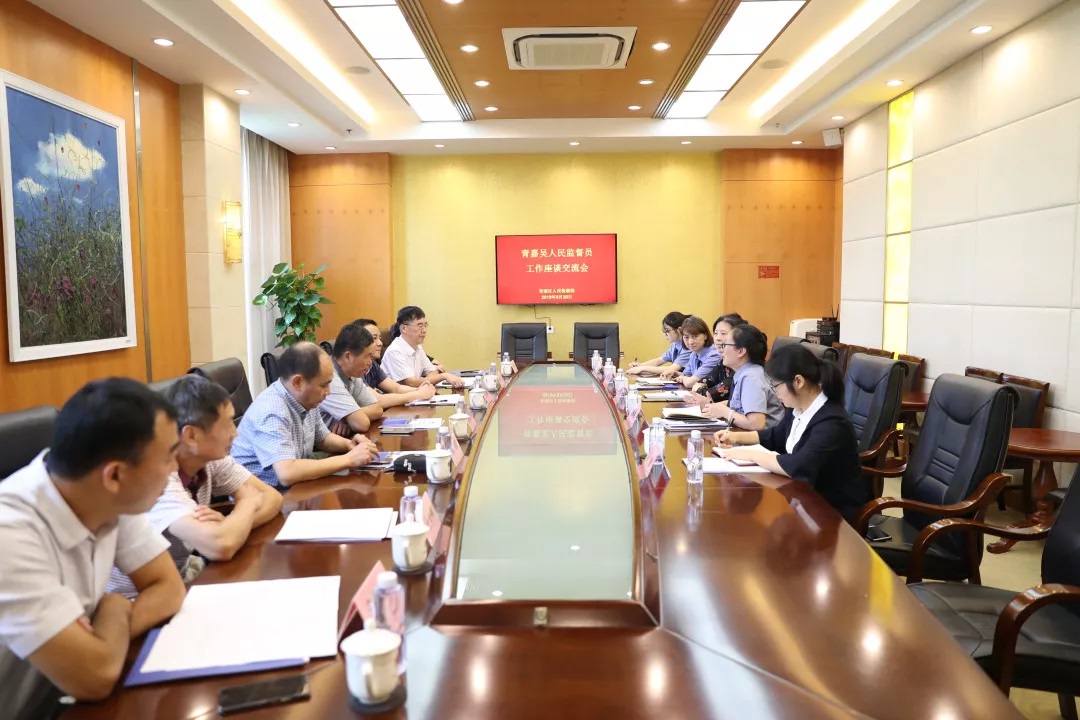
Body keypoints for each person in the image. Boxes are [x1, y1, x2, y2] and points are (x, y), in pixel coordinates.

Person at [0, 378, 186, 716]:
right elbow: (96, 677)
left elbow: (169, 588)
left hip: (63, 699)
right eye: (168, 457)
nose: (176, 468)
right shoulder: (9, 536)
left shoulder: (107, 497)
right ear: (114, 475)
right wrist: (115, 606)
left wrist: (103, 634)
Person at [108, 376, 283, 596]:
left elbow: (273, 497)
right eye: (228, 423)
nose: (235, 432)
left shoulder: (211, 458)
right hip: (137, 598)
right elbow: (221, 545)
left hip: (180, 578)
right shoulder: (160, 479)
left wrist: (232, 523)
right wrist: (246, 505)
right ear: (191, 436)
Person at [714, 344, 867, 524]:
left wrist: (749, 454)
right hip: (803, 500)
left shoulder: (832, 423)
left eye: (776, 386)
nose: (774, 393)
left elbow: (797, 466)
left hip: (831, 514)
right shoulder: (798, 409)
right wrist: (735, 437)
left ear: (798, 382)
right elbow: (775, 436)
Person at [231, 342, 378, 489]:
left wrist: (349, 445)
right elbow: (287, 473)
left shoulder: (306, 398)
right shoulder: (272, 411)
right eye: (323, 385)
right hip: (261, 495)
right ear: (298, 382)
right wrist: (349, 459)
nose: (328, 392)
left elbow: (322, 438)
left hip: (294, 489)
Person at [700, 323, 784, 429]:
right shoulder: (745, 372)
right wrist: (712, 406)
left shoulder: (751, 377)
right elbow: (738, 405)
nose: (721, 349)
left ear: (740, 351)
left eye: (725, 344)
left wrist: (725, 412)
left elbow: (756, 425)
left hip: (763, 438)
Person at [354, 318, 438, 408]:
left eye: (379, 338)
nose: (380, 343)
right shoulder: (354, 369)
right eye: (374, 338)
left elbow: (396, 388)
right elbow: (378, 400)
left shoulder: (372, 364)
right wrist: (418, 394)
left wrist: (420, 390)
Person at [321, 324, 385, 435]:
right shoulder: (329, 378)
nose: (370, 362)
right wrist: (353, 416)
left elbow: (378, 409)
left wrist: (347, 416)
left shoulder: (352, 373)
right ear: (348, 356)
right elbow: (362, 424)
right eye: (367, 356)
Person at [380, 306, 464, 388]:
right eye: (420, 326)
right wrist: (444, 376)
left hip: (417, 394)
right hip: (397, 396)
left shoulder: (417, 347)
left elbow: (432, 371)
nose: (424, 330)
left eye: (425, 325)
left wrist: (426, 382)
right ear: (404, 328)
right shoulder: (395, 351)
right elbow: (411, 383)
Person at [692, 313, 746, 402]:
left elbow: (713, 395)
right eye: (716, 333)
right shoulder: (724, 361)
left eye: (723, 333)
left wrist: (699, 389)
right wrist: (700, 388)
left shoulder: (740, 365)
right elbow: (705, 381)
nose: (718, 338)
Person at [660, 315, 723, 389]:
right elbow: (686, 375)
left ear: (705, 336)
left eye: (695, 336)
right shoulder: (693, 354)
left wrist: (684, 378)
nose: (690, 342)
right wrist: (674, 373)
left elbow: (690, 382)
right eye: (686, 337)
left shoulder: (714, 355)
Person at [626, 311, 690, 376]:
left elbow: (671, 369)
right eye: (664, 331)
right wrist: (639, 365)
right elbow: (658, 361)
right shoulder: (675, 345)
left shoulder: (688, 347)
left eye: (667, 331)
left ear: (679, 330)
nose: (665, 334)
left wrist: (643, 368)